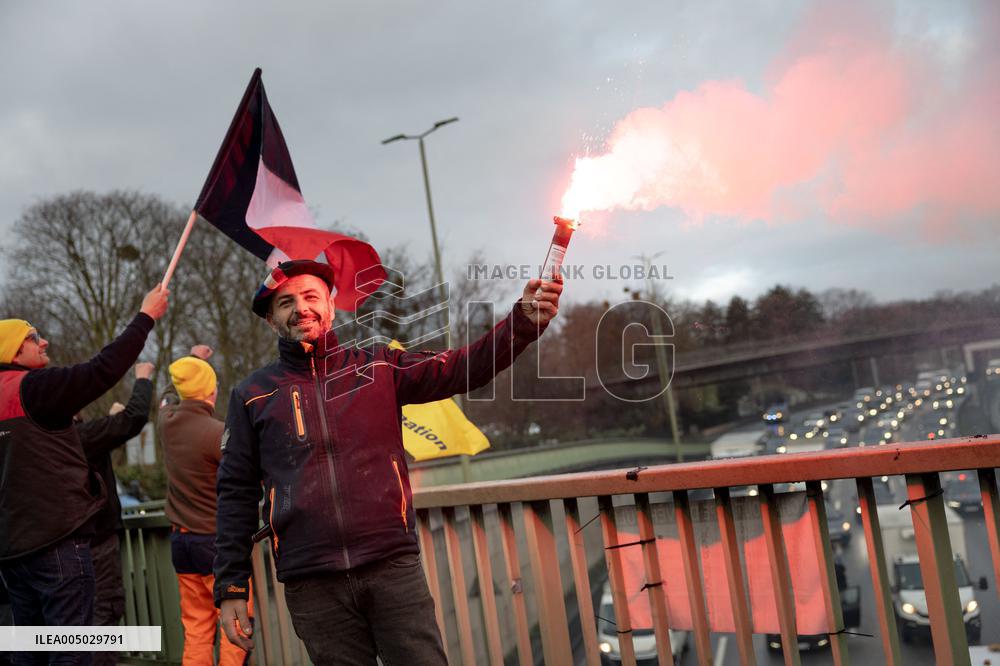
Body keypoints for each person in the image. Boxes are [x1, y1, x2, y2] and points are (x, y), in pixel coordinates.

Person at [214, 259, 561, 665]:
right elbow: (234, 495)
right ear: (272, 319)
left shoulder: (378, 366)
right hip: (311, 583)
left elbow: (467, 368)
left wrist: (522, 323)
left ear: (330, 304)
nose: (300, 308)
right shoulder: (251, 395)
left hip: (392, 567)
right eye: (286, 302)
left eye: (311, 296)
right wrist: (232, 589)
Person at [0, 284, 168, 666]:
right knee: (73, 649)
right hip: (57, 546)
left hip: (12, 555)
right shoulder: (34, 388)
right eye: (33, 337)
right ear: (13, 351)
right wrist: (145, 318)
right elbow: (102, 370)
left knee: (29, 652)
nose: (44, 343)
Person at [160, 346, 251, 666]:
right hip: (215, 542)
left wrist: (193, 362)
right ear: (212, 392)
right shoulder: (218, 433)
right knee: (235, 622)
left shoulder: (166, 422)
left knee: (196, 627)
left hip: (181, 542)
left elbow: (169, 395)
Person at [74, 362, 155, 666]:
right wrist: (143, 378)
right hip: (95, 544)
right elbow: (133, 418)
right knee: (102, 616)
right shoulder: (74, 437)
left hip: (59, 549)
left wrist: (110, 424)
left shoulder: (41, 439)